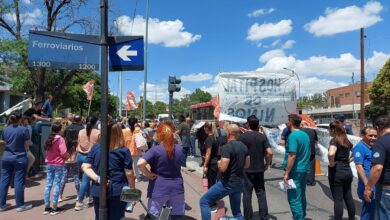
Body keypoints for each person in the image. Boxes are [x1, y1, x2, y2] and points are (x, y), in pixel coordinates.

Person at [82, 123, 135, 220]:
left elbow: (85, 166)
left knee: (100, 217)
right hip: (117, 189)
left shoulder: (96, 148)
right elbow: (129, 173)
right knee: (117, 216)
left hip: (98, 189)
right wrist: (132, 190)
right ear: (119, 134)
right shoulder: (123, 150)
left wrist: (98, 179)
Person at [200, 124, 250, 220]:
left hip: (228, 182)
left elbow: (223, 168)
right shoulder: (244, 147)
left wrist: (219, 163)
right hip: (239, 182)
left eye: (226, 131)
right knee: (237, 212)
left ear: (229, 133)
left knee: (204, 201)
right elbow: (247, 165)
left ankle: (224, 219)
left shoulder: (227, 147)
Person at [137, 121, 185, 219]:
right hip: (177, 187)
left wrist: (148, 174)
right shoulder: (180, 149)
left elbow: (140, 163)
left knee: (153, 216)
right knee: (177, 216)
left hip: (158, 188)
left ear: (159, 135)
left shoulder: (155, 150)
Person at [238, 115, 273, 220]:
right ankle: (264, 216)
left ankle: (248, 216)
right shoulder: (262, 136)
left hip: (246, 169)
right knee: (261, 192)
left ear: (248, 124)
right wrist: (267, 164)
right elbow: (270, 152)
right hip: (259, 168)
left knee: (247, 193)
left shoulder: (242, 137)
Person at [0, 111, 33, 212]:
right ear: (20, 119)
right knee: (19, 181)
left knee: (4, 180)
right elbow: (27, 144)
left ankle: (1, 205)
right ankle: (20, 205)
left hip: (6, 157)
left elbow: (4, 142)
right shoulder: (24, 129)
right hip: (19, 157)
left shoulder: (5, 129)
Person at [283, 114, 310, 220]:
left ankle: (298, 217)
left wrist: (287, 173)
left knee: (293, 197)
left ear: (290, 122)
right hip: (304, 169)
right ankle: (301, 215)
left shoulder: (293, 136)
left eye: (287, 120)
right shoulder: (305, 135)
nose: (286, 122)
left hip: (295, 170)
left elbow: (292, 155)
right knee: (301, 195)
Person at [364, 116, 390, 219]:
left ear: (378, 128)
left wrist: (368, 187)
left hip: (386, 188)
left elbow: (377, 168)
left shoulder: (381, 142)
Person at [328, 121, 355, 220]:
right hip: (347, 171)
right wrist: (349, 160)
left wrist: (331, 164)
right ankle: (351, 218)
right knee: (348, 196)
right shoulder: (346, 140)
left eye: (329, 129)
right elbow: (355, 151)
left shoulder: (334, 140)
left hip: (337, 172)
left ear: (333, 130)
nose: (328, 131)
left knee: (338, 199)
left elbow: (331, 154)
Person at [43, 122, 69, 215]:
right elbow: (63, 152)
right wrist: (67, 156)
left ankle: (46, 207)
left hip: (49, 163)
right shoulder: (60, 139)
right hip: (58, 164)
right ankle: (54, 207)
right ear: (59, 130)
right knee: (57, 184)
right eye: (61, 128)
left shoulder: (49, 138)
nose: (62, 130)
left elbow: (46, 150)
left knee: (48, 184)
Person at [75, 115, 100, 210]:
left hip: (80, 156)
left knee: (85, 179)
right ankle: (79, 202)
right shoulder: (98, 132)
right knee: (86, 180)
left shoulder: (81, 131)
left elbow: (78, 142)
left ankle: (90, 198)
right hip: (90, 157)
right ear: (95, 122)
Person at [353, 126, 377, 220]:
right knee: (368, 213)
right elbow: (359, 167)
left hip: (375, 184)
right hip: (367, 185)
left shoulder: (374, 147)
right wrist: (367, 186)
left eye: (375, 136)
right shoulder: (360, 147)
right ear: (363, 135)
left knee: (373, 212)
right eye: (370, 135)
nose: (373, 138)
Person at [59, 115, 84, 202]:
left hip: (66, 158)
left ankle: (60, 195)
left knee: (63, 177)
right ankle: (78, 195)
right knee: (76, 176)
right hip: (75, 157)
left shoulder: (67, 131)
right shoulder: (81, 130)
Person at [202, 122, 220, 212]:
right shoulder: (215, 137)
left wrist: (205, 165)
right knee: (213, 183)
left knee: (211, 184)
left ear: (206, 128)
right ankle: (213, 202)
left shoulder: (209, 138)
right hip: (215, 163)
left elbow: (208, 153)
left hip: (211, 164)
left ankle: (213, 205)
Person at [123, 117, 143, 182]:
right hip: (136, 149)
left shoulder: (125, 131)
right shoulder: (138, 130)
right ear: (136, 123)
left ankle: (129, 176)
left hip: (127, 149)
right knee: (136, 164)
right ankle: (137, 177)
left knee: (128, 164)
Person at [300, 120, 318, 186]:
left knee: (302, 165)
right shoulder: (313, 131)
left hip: (303, 151)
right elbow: (316, 141)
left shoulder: (300, 132)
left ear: (302, 125)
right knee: (312, 166)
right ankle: (311, 181)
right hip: (312, 150)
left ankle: (304, 180)